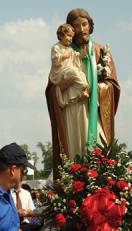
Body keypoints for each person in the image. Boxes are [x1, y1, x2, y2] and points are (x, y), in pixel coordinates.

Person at [45, 8, 120, 179]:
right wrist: (63, 86)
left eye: (84, 24)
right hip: (71, 111)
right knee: (74, 155)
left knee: (99, 148)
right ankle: (75, 189)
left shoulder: (101, 51)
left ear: (90, 26)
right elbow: (52, 88)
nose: (81, 29)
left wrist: (98, 89)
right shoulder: (64, 52)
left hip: (95, 110)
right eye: (76, 26)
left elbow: (112, 85)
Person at [49, 23, 89, 111]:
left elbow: (75, 59)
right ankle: (83, 87)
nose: (71, 39)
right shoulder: (56, 47)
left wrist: (80, 56)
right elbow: (55, 60)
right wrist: (63, 55)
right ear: (61, 35)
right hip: (60, 73)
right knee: (74, 72)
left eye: (72, 37)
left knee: (81, 73)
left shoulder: (70, 49)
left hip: (68, 70)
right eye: (69, 36)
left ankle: (81, 92)